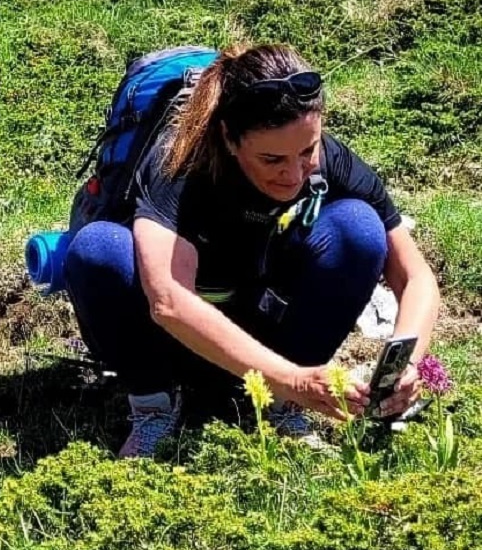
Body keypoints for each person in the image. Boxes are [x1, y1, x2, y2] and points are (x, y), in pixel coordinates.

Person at [62, 44, 441, 458]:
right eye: (272, 158)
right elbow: (168, 301)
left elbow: (416, 275)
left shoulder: (329, 158)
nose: (293, 173)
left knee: (359, 229)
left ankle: (280, 409)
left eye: (307, 151)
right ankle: (155, 409)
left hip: (257, 319)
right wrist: (292, 378)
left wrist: (407, 363)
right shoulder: (181, 164)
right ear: (229, 137)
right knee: (98, 250)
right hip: (165, 340)